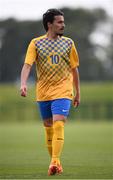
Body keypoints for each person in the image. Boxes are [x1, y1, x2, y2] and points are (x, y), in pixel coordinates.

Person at [20, 8, 80, 176]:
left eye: (63, 21)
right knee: (49, 128)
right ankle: (56, 164)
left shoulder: (69, 43)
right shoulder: (36, 43)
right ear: (49, 24)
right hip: (44, 92)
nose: (63, 25)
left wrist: (78, 92)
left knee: (59, 123)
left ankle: (53, 161)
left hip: (63, 90)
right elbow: (27, 65)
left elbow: (75, 70)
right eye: (59, 22)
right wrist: (23, 83)